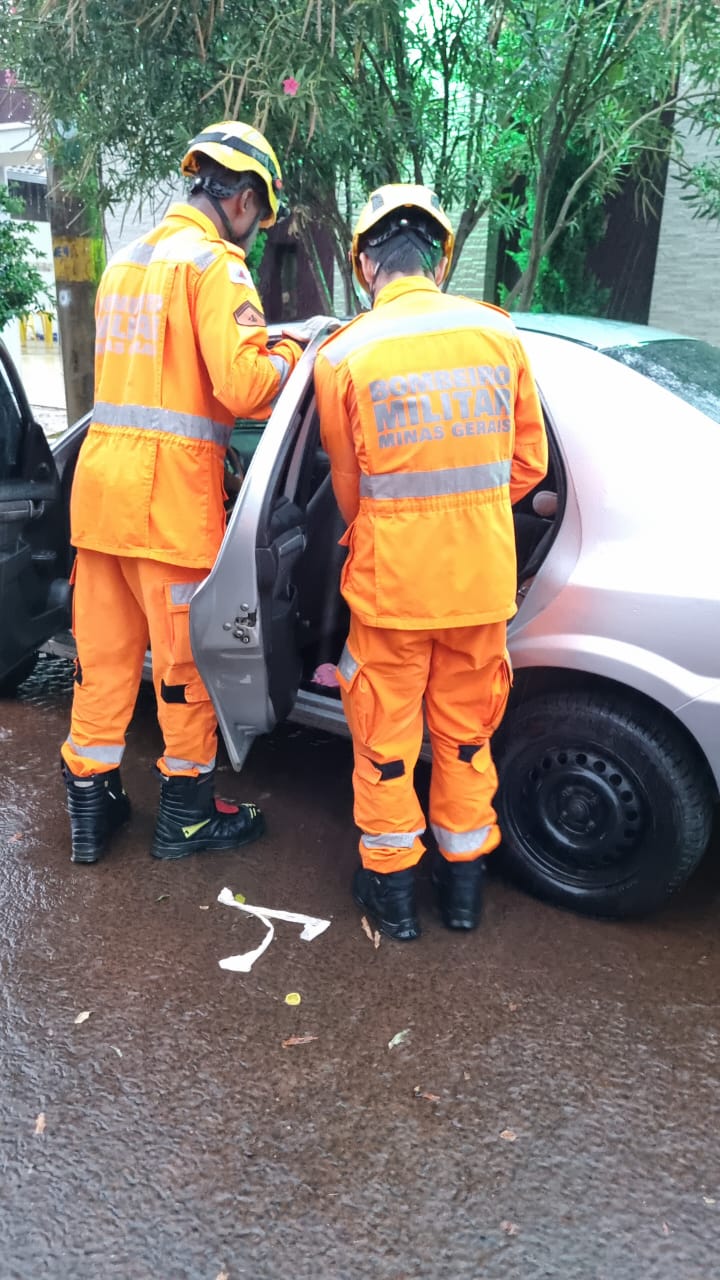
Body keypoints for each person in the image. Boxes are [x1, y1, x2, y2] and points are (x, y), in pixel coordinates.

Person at [60, 121, 303, 865]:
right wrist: (291, 351)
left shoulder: (127, 264)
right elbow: (245, 386)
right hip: (166, 508)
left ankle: (90, 808)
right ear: (244, 199)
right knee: (182, 668)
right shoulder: (215, 267)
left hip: (100, 499)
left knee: (102, 661)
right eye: (259, 214)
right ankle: (187, 816)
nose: (256, 230)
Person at [314, 184, 548, 940]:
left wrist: (396, 525)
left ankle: (392, 900)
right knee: (467, 739)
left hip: (391, 591)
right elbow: (527, 467)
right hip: (480, 587)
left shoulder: (345, 353)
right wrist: (471, 512)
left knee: (385, 748)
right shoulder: (499, 336)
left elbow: (347, 489)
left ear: (364, 264)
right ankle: (463, 892)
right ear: (440, 258)